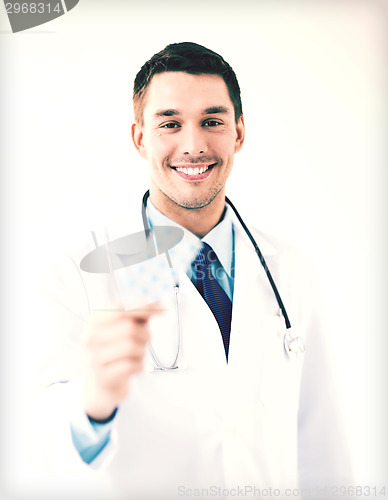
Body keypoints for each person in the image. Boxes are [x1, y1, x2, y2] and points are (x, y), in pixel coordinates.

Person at [29, 42, 353, 499]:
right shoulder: (82, 269)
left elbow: (323, 446)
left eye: (212, 121)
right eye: (170, 124)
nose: (194, 145)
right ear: (140, 137)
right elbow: (35, 443)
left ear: (238, 133)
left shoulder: (293, 270)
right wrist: (93, 400)